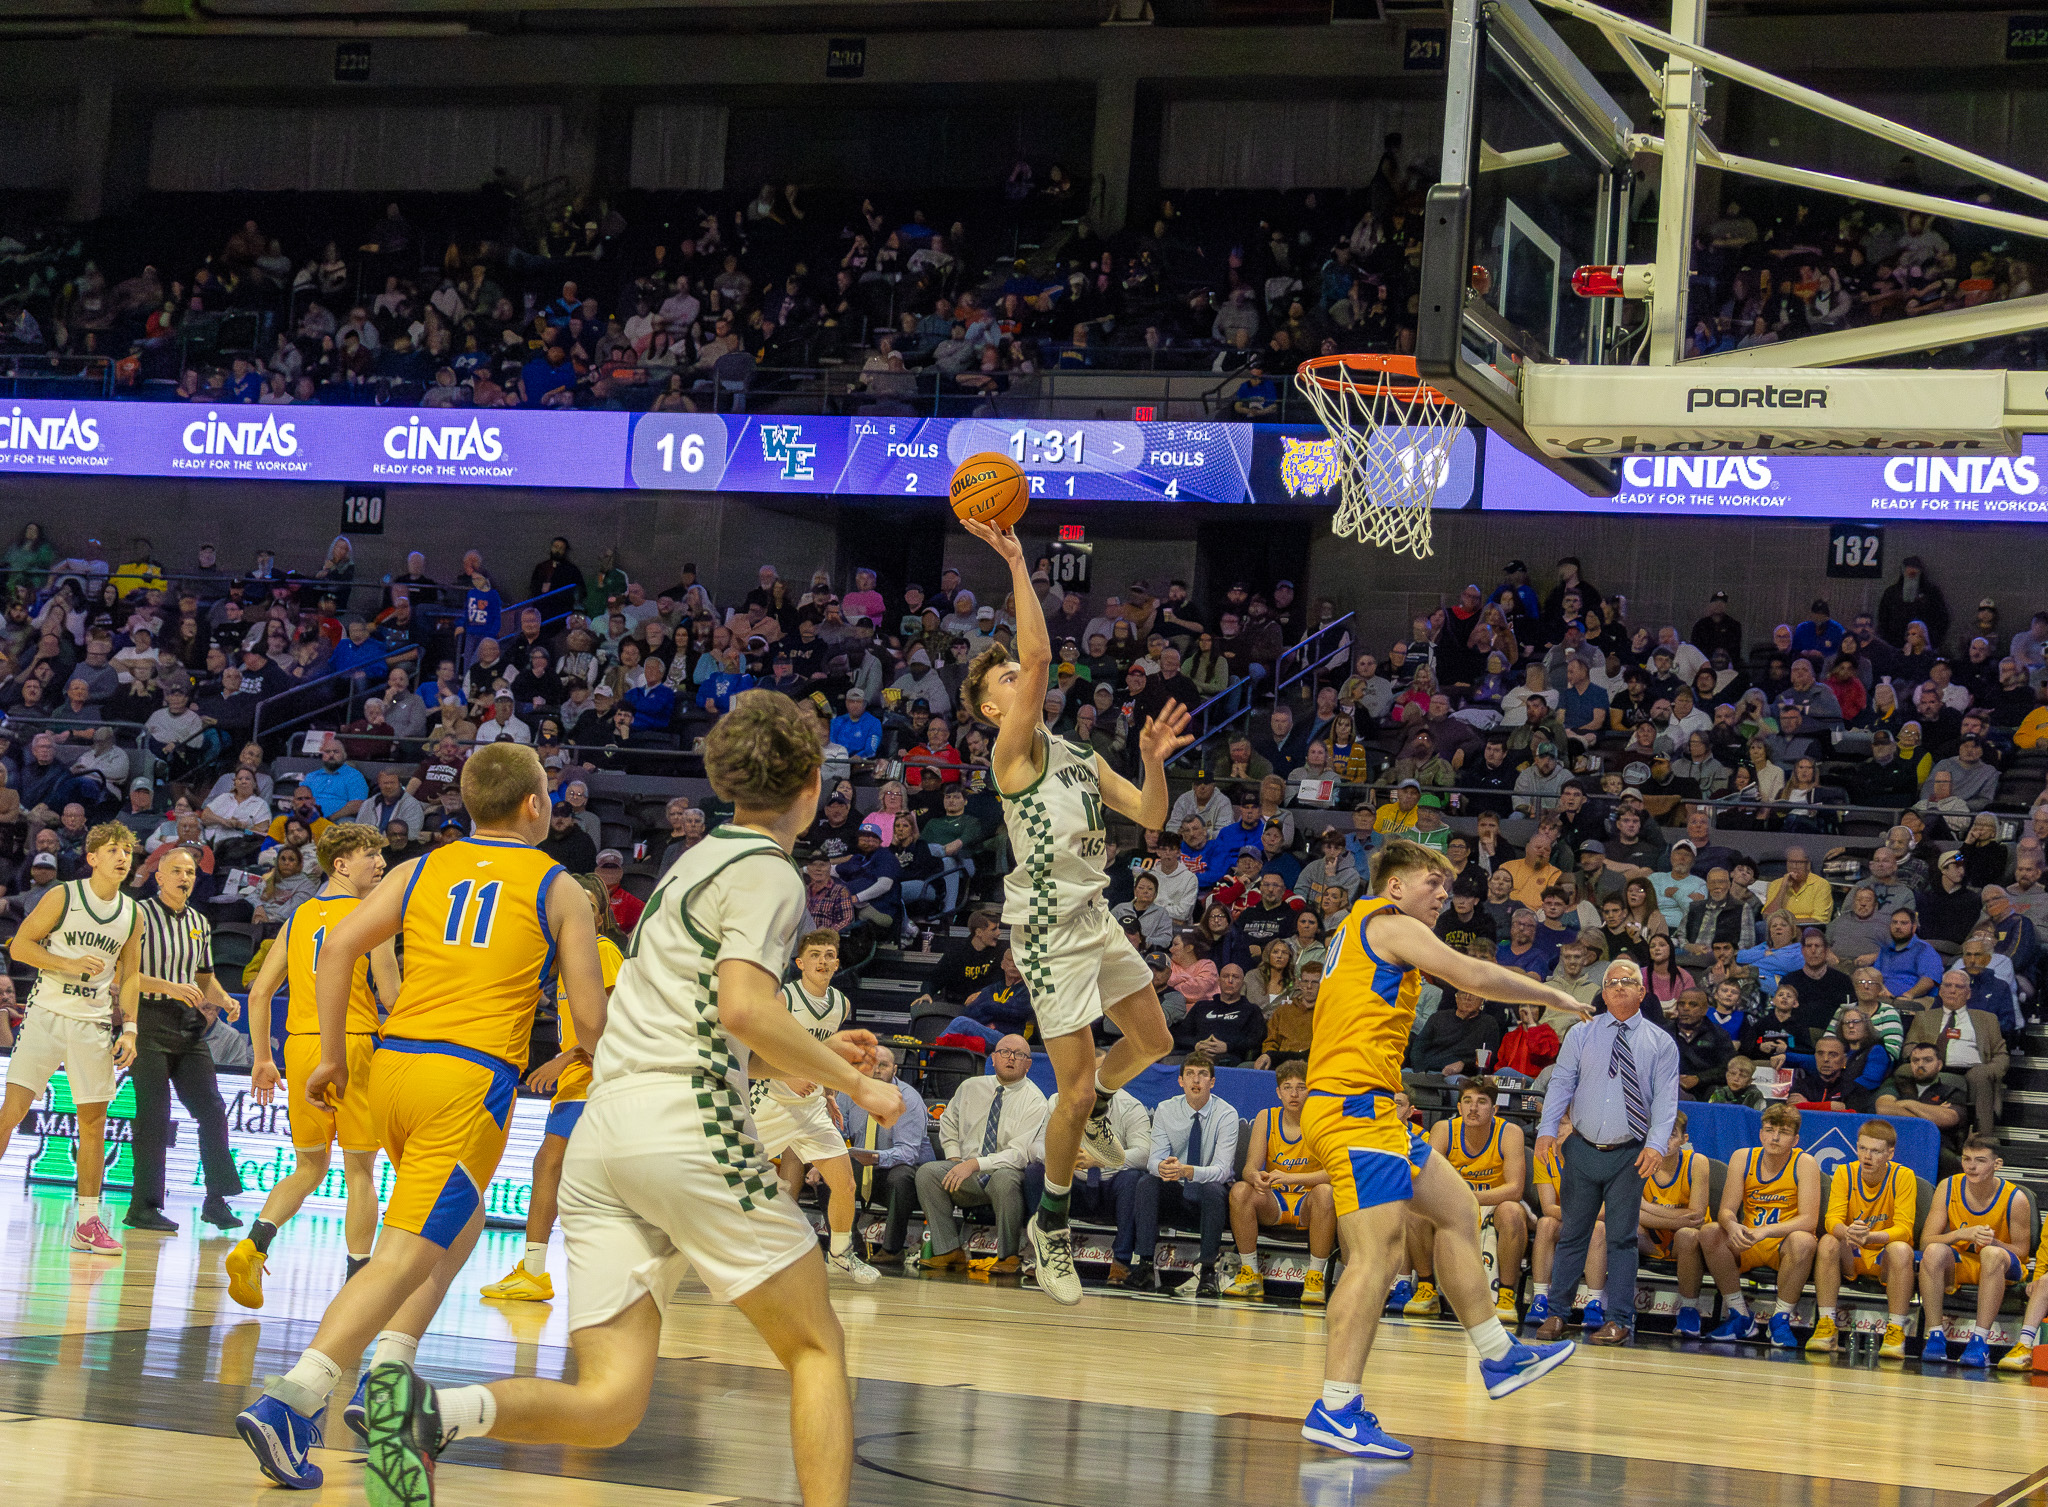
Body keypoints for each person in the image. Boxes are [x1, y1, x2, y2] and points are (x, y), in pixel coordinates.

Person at [357, 697, 903, 1507]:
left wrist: (818, 1058)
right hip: (685, 1125)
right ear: (817, 784)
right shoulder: (769, 871)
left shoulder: (693, 858)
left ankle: (433, 1411)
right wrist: (856, 1082)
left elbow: (709, 1012)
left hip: (607, 1133)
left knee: (610, 1404)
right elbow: (744, 1009)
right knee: (818, 1346)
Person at [235, 741, 610, 1490]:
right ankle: (296, 1399)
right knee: (406, 1250)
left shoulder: (418, 868)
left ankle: (390, 1375)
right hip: (467, 1078)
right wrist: (588, 1058)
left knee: (460, 1223)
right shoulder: (560, 885)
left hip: (396, 1064)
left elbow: (339, 945)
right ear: (536, 804)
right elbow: (591, 1020)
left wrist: (335, 1054)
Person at [960, 517, 1186, 1306]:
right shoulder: (1011, 754)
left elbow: (1151, 818)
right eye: (1003, 685)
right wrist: (1019, 559)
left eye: (1013, 679)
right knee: (1083, 1085)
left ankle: (1075, 1112)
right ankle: (1049, 1225)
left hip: (1097, 917)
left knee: (1154, 1039)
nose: (1018, 685)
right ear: (995, 710)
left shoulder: (1082, 756)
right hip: (1049, 935)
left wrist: (1154, 764)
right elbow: (1040, 655)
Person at [1301, 840, 1586, 1462]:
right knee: (1378, 1256)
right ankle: (1337, 1405)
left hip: (1373, 1108)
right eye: (1432, 881)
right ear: (1395, 885)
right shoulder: (1386, 921)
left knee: (1458, 1210)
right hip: (1352, 1110)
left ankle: (1497, 1354)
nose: (1442, 894)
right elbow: (1473, 975)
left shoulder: (1361, 932)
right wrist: (1553, 995)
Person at [231, 823, 399, 1302]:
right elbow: (391, 996)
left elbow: (260, 992)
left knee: (308, 1166)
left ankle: (253, 1245)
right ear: (342, 864)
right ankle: (357, 1280)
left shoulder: (299, 916)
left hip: (301, 1048)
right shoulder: (372, 916)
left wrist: (263, 1057)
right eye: (372, 856)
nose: (381, 864)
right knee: (360, 1171)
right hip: (351, 1048)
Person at [478, 874, 627, 1302]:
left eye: (588, 903)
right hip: (579, 1081)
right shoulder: (564, 962)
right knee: (564, 1172)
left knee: (554, 1166)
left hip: (598, 1078)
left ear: (599, 915)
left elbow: (615, 1023)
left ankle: (540, 1270)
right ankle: (539, 1270)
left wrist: (563, 1058)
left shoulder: (602, 951)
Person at [0, 823, 141, 1254]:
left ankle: (87, 1221)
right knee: (13, 1110)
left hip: (93, 1023)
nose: (122, 858)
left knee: (94, 1121)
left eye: (128, 852)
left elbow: (131, 973)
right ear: (92, 857)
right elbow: (20, 947)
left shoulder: (132, 912)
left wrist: (131, 1027)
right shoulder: (64, 896)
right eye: (114, 850)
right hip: (45, 1016)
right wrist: (66, 963)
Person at [1530, 957, 1681, 1348]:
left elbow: (1666, 1101)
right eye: (1611, 982)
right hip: (1580, 1147)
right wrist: (1547, 1130)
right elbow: (1561, 1082)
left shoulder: (1660, 1043)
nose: (1617, 987)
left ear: (1642, 991)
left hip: (1629, 1152)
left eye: (1626, 982)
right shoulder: (1582, 1033)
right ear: (1603, 991)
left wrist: (1656, 1144)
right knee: (1572, 1235)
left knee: (1622, 1239)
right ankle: (1557, 1314)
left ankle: (1618, 1319)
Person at [120, 845, 247, 1235]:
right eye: (176, 871)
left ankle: (216, 1199)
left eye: (190, 872)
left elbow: (204, 975)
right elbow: (122, 976)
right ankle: (143, 1206)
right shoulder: (138, 915)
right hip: (148, 1018)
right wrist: (171, 988)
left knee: (211, 1107)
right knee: (155, 1116)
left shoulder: (199, 921)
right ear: (159, 876)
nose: (184, 878)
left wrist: (224, 999)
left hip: (187, 1024)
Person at [742, 929, 878, 1284]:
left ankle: (840, 1254)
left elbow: (821, 1055)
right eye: (815, 954)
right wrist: (787, 1076)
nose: (822, 960)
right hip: (772, 1101)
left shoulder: (842, 1004)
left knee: (845, 1183)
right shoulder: (784, 998)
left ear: (837, 963)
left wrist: (830, 1092)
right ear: (800, 963)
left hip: (813, 1107)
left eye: (829, 954)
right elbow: (756, 1047)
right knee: (732, 1181)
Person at [916, 1033, 1047, 1273]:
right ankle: (949, 1250)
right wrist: (955, 1157)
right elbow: (948, 1122)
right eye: (1004, 1052)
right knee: (928, 1173)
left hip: (1005, 1174)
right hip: (967, 1171)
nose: (1011, 1058)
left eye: (1019, 1055)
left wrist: (976, 1163)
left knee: (1005, 1179)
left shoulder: (1036, 1101)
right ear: (993, 1058)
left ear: (1028, 1064)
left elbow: (1020, 1153)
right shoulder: (970, 1087)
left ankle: (1008, 1256)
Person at [1698, 1104, 1821, 1347]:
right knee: (1710, 1231)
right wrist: (1733, 1227)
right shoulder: (1742, 1157)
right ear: (1760, 1133)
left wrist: (1766, 1231)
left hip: (1782, 1243)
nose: (1775, 1137)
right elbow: (1726, 1210)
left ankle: (1780, 1319)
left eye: (1783, 1132)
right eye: (1769, 1130)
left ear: (1795, 1139)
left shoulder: (1805, 1162)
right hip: (1747, 1240)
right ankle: (1740, 1315)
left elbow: (1809, 1220)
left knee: (1804, 1239)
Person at [1412, 1078, 1529, 1323]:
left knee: (1512, 1212)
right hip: (1453, 1199)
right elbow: (1427, 1178)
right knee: (1415, 1212)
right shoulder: (1444, 1129)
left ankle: (1506, 1294)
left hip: (1494, 1199)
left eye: (1481, 1102)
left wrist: (1471, 1197)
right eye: (1467, 1101)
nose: (1473, 1108)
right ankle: (1426, 1288)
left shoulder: (1510, 1132)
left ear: (1494, 1109)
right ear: (1459, 1106)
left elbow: (1515, 1189)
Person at [1223, 1059, 1334, 1305]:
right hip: (1275, 1199)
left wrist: (1292, 1177)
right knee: (1241, 1190)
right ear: (1278, 1092)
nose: (1294, 1093)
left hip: (1309, 1200)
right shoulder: (1267, 1117)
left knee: (1326, 1192)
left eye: (1301, 1087)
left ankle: (1315, 1276)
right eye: (1287, 1087)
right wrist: (1255, 1177)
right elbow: (1249, 1168)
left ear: (1311, 1090)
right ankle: (1250, 1273)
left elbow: (1334, 1172)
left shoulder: (1323, 1120)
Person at [1805, 1120, 1918, 1360]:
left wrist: (1871, 1236)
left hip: (1883, 1256)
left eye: (1875, 1151)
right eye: (1862, 1149)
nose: (1867, 1156)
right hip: (1852, 1252)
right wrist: (1847, 1232)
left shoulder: (1904, 1176)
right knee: (1827, 1241)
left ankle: (1896, 1330)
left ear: (1890, 1153)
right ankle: (1826, 1325)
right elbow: (1831, 1219)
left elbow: (1905, 1229)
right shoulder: (1845, 1173)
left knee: (1901, 1249)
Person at [1918, 1135, 2033, 1368]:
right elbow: (1925, 1241)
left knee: (1990, 1254)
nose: (1971, 1166)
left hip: (2001, 1266)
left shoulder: (2016, 1198)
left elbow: (2022, 1252)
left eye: (1980, 1160)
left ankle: (1979, 1341)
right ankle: (1935, 1335)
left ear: (1997, 1164)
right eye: (1966, 1159)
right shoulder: (1947, 1187)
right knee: (1932, 1252)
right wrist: (1962, 1234)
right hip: (1962, 1262)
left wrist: (1993, 1242)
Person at [1135, 1052, 1239, 1297]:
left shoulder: (1227, 1114)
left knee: (1213, 1188)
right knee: (1147, 1182)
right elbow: (1154, 1159)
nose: (1196, 1080)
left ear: (1212, 1082)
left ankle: (1207, 1272)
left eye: (1203, 1075)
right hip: (1177, 1187)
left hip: (1209, 1195)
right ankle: (1146, 1266)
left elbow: (1223, 1170)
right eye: (1190, 1074)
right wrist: (1163, 1168)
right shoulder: (1165, 1109)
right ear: (1180, 1080)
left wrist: (1189, 1171)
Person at [840, 1046, 932, 1266]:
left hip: (902, 1170)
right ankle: (848, 1243)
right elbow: (836, 1131)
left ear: (895, 1070)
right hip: (865, 1164)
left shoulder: (907, 1099)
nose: (877, 1070)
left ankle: (892, 1249)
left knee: (901, 1178)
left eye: (883, 1065)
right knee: (829, 1171)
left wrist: (875, 1158)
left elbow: (909, 1153)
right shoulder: (848, 1092)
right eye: (871, 1064)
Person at [1633, 1112, 1712, 1337]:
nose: (1665, 1141)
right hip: (1651, 1239)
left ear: (1684, 1139)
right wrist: (1669, 1216)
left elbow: (1696, 1216)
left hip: (1685, 1241)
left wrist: (1648, 1209)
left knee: (1688, 1234)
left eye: (1672, 1135)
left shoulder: (1697, 1162)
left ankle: (1689, 1310)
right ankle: (1619, 1308)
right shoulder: (1638, 1159)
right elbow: (1631, 1212)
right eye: (1659, 1134)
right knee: (1624, 1227)